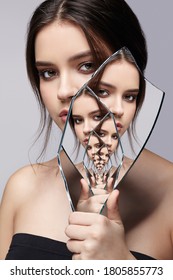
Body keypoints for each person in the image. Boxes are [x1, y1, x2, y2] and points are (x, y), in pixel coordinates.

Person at [0, 0, 173, 260]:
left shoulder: (169, 192)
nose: (63, 91)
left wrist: (126, 267)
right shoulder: (23, 187)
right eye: (48, 73)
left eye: (86, 65)